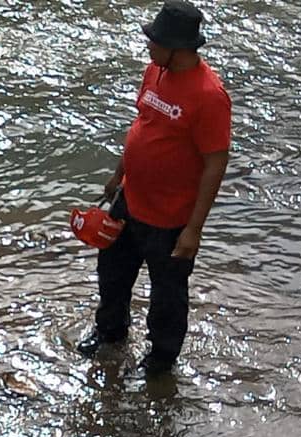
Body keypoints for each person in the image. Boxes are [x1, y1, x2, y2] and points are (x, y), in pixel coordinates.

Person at [77, 0, 231, 377]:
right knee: (112, 272)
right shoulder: (155, 71)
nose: (148, 45)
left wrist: (193, 230)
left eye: (155, 41)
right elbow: (142, 127)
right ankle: (110, 333)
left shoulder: (209, 96)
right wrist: (118, 176)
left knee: (167, 295)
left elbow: (215, 163)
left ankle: (161, 359)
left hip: (170, 217)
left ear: (177, 48)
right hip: (130, 199)